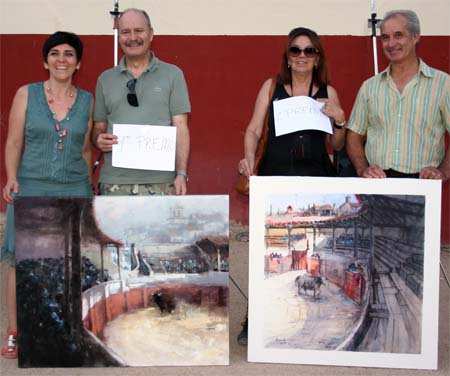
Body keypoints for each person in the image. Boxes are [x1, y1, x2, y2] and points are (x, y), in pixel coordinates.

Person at [237, 27, 347, 345]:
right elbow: (253, 131)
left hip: (316, 181)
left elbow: (337, 143)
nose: (301, 56)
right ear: (287, 56)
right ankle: (252, 318)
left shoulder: (329, 92)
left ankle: (310, 317)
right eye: (295, 50)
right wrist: (247, 160)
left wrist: (340, 120)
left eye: (308, 51)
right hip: (275, 179)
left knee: (313, 250)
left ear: (317, 58)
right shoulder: (271, 88)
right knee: (266, 251)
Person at [1, 31, 93, 359]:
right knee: (20, 262)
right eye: (55, 54)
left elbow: (85, 149)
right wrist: (11, 178)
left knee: (69, 260)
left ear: (78, 63)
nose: (62, 60)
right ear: (45, 61)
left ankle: (64, 328)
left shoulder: (87, 101)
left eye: (69, 54)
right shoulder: (26, 94)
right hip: (31, 186)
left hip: (73, 188)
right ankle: (15, 331)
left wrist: (88, 191)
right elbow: (13, 142)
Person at [91, 8, 191, 196]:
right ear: (119, 36)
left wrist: (181, 174)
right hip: (114, 183)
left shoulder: (173, 75)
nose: (132, 37)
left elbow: (181, 127)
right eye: (125, 32)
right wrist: (98, 139)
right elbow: (98, 126)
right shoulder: (105, 79)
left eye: (139, 30)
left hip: (162, 183)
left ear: (151, 34)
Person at [346, 10, 450, 180]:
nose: (391, 43)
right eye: (385, 37)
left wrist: (444, 172)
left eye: (398, 35)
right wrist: (363, 168)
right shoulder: (369, 87)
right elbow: (353, 135)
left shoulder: (443, 84)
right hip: (377, 184)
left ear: (416, 36)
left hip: (423, 184)